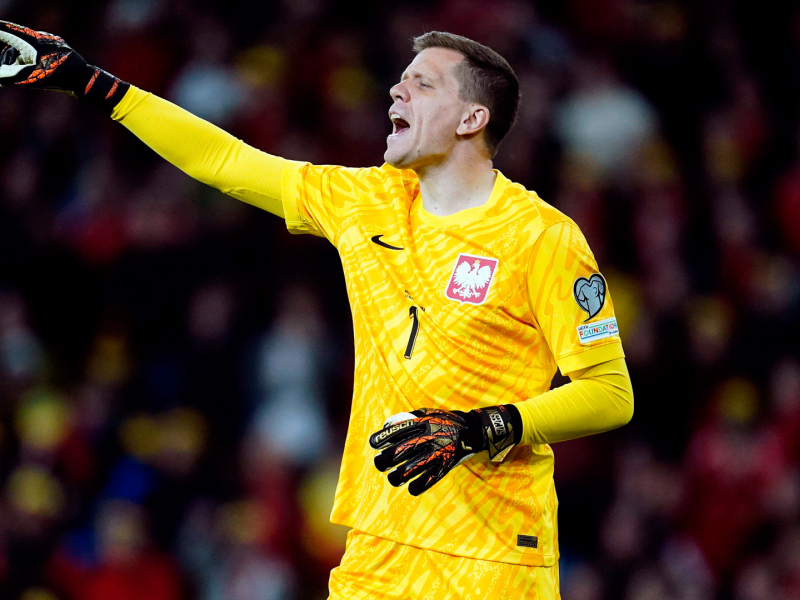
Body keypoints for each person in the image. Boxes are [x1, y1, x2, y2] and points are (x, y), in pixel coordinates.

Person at [0, 22, 634, 599]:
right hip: (377, 544)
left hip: (493, 553)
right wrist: (92, 82)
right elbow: (226, 162)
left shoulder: (542, 237)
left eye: (421, 84)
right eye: (400, 79)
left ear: (472, 118)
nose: (395, 92)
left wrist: (478, 429)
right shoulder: (366, 201)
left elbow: (609, 394)